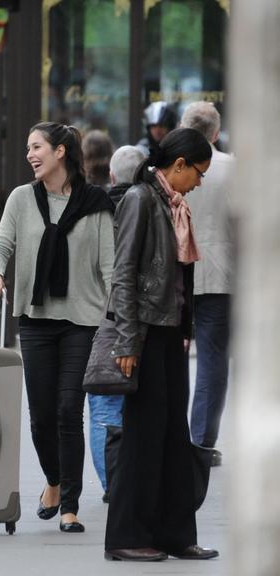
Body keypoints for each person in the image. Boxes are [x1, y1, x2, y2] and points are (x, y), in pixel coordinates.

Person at [0, 122, 114, 534]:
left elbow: (110, 267)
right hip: (36, 319)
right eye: (27, 148)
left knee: (66, 411)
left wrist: (119, 319)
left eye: (36, 146)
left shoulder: (96, 204)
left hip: (83, 320)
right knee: (41, 416)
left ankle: (70, 506)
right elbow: (3, 243)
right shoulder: (22, 199)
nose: (30, 155)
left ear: (61, 151)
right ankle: (54, 482)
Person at [104, 128, 218, 562]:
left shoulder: (171, 202)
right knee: (143, 436)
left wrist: (184, 326)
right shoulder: (140, 199)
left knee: (173, 434)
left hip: (170, 331)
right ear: (179, 165)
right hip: (146, 334)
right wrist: (127, 341)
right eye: (198, 174)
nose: (200, 183)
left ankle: (174, 533)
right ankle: (126, 536)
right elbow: (124, 273)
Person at [87, 144, 145, 502]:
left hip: (98, 318)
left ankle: (113, 485)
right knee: (128, 403)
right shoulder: (154, 207)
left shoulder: (97, 210)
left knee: (104, 404)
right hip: (141, 318)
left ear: (112, 175)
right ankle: (128, 482)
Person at [181, 102, 235, 467]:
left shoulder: (168, 168)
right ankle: (201, 439)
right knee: (213, 360)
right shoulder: (232, 169)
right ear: (215, 133)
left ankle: (173, 436)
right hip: (220, 274)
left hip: (176, 274)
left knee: (170, 357)